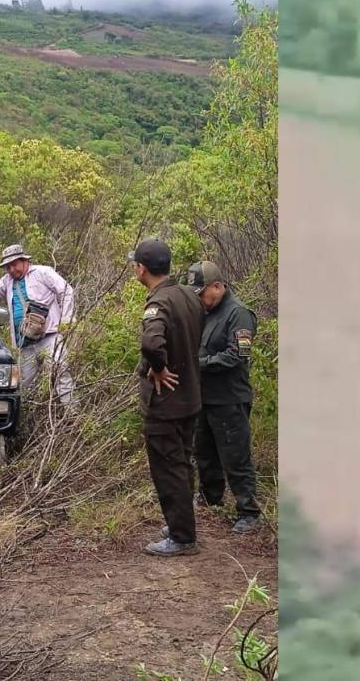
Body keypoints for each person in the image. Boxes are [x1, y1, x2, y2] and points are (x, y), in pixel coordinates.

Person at [130, 239, 204, 557]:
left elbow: (151, 341)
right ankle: (180, 522)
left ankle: (182, 536)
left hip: (166, 402)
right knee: (182, 463)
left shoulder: (158, 303)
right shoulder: (188, 295)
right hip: (190, 396)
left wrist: (158, 367)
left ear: (141, 268)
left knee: (168, 468)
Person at [186, 261, 261, 533]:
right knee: (204, 451)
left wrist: (199, 364)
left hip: (230, 398)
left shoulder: (238, 313)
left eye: (202, 292)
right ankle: (210, 497)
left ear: (217, 286)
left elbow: (237, 355)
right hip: (205, 397)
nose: (200, 298)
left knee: (235, 455)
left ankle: (249, 511)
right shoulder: (206, 312)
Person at [0, 244, 75, 405]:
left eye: (14, 264)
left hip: (50, 336)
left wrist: (65, 321)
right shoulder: (7, 281)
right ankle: (28, 419)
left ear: (24, 260)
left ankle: (71, 415)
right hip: (25, 343)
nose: (12, 269)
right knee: (26, 385)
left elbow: (66, 291)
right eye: (8, 267)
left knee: (60, 373)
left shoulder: (43, 272)